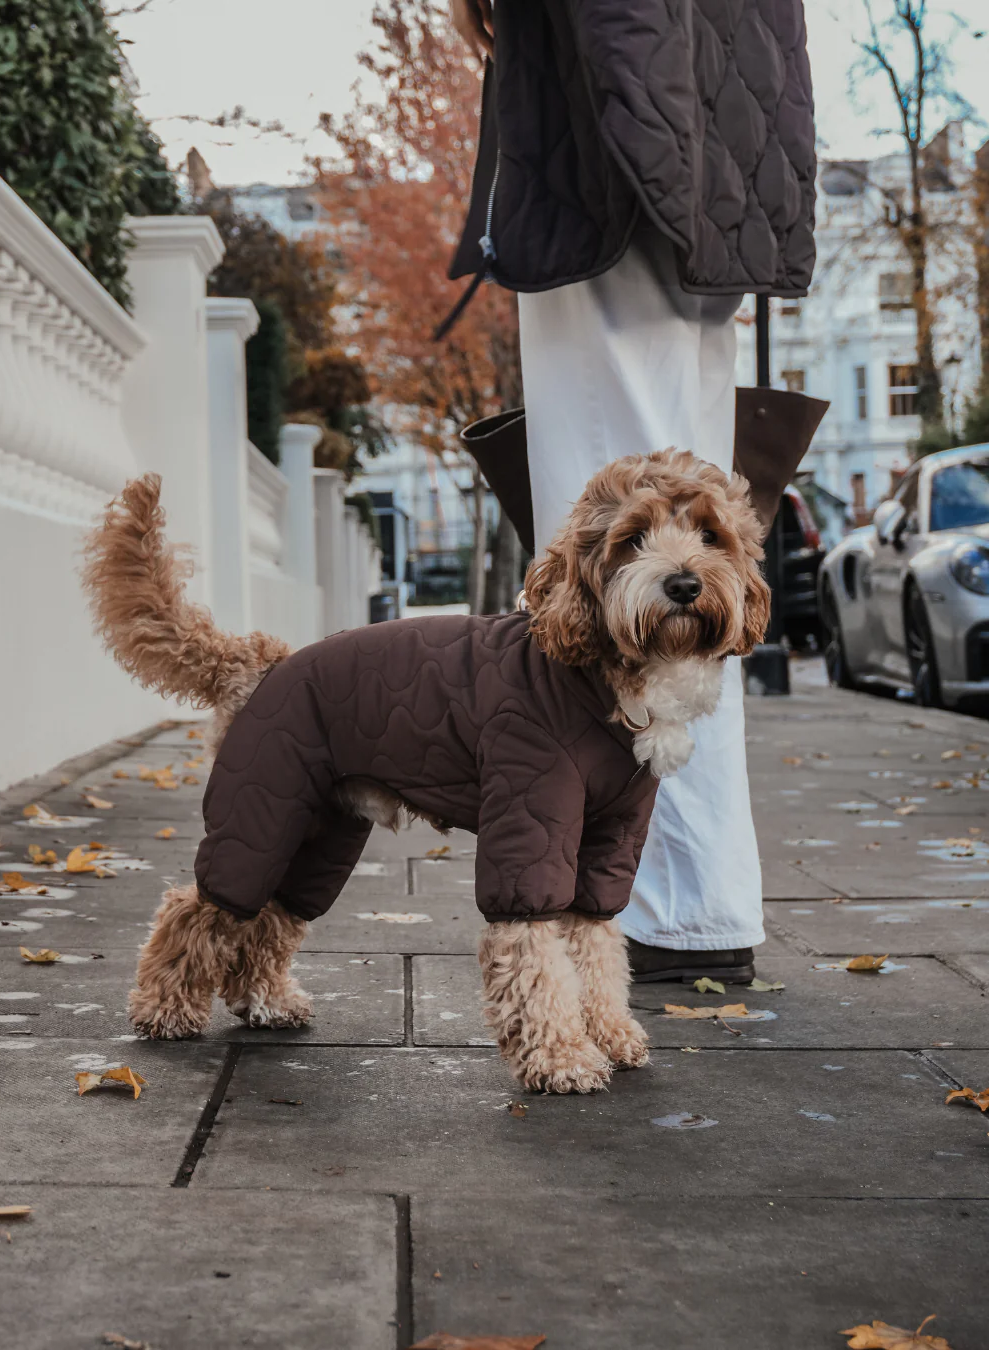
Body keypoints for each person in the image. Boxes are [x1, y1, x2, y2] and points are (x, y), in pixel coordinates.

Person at [447, 0, 819, 982]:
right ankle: (696, 903)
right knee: (691, 542)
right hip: (718, 138)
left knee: (610, 553)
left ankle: (641, 904)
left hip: (622, 158)